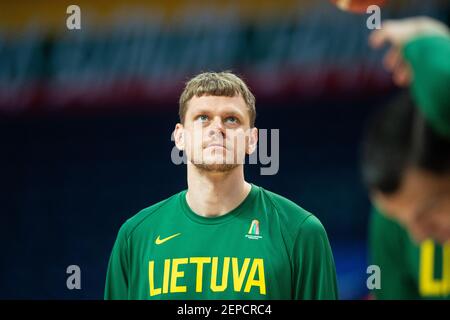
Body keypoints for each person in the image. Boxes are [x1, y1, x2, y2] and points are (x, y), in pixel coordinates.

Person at [104, 71, 338, 299]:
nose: (217, 128)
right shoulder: (135, 237)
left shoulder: (301, 233)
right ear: (180, 136)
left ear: (252, 140)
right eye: (203, 117)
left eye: (231, 119)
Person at [362, 17, 450, 299]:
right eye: (403, 221)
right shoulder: (391, 217)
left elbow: (441, 91)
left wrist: (424, 37)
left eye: (428, 214)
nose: (418, 236)